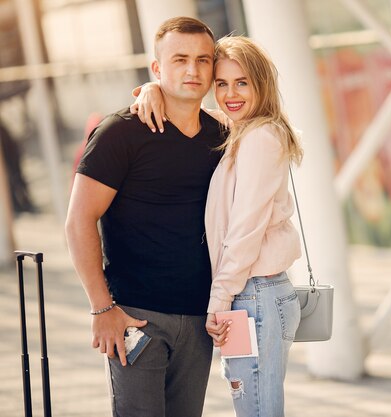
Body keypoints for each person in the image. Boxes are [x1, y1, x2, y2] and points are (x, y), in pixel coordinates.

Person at [65, 16, 227, 417]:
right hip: (136, 317)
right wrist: (102, 309)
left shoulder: (223, 136)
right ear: (157, 68)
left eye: (203, 60)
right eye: (179, 59)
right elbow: (79, 221)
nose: (192, 70)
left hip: (199, 317)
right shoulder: (120, 132)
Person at [133, 35, 304, 417]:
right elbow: (196, 113)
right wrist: (153, 90)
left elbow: (244, 231)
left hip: (252, 296)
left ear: (261, 84)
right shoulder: (244, 131)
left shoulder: (260, 138)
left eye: (242, 82)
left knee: (256, 409)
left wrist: (219, 300)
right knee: (256, 404)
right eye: (222, 83)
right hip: (254, 295)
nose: (230, 93)